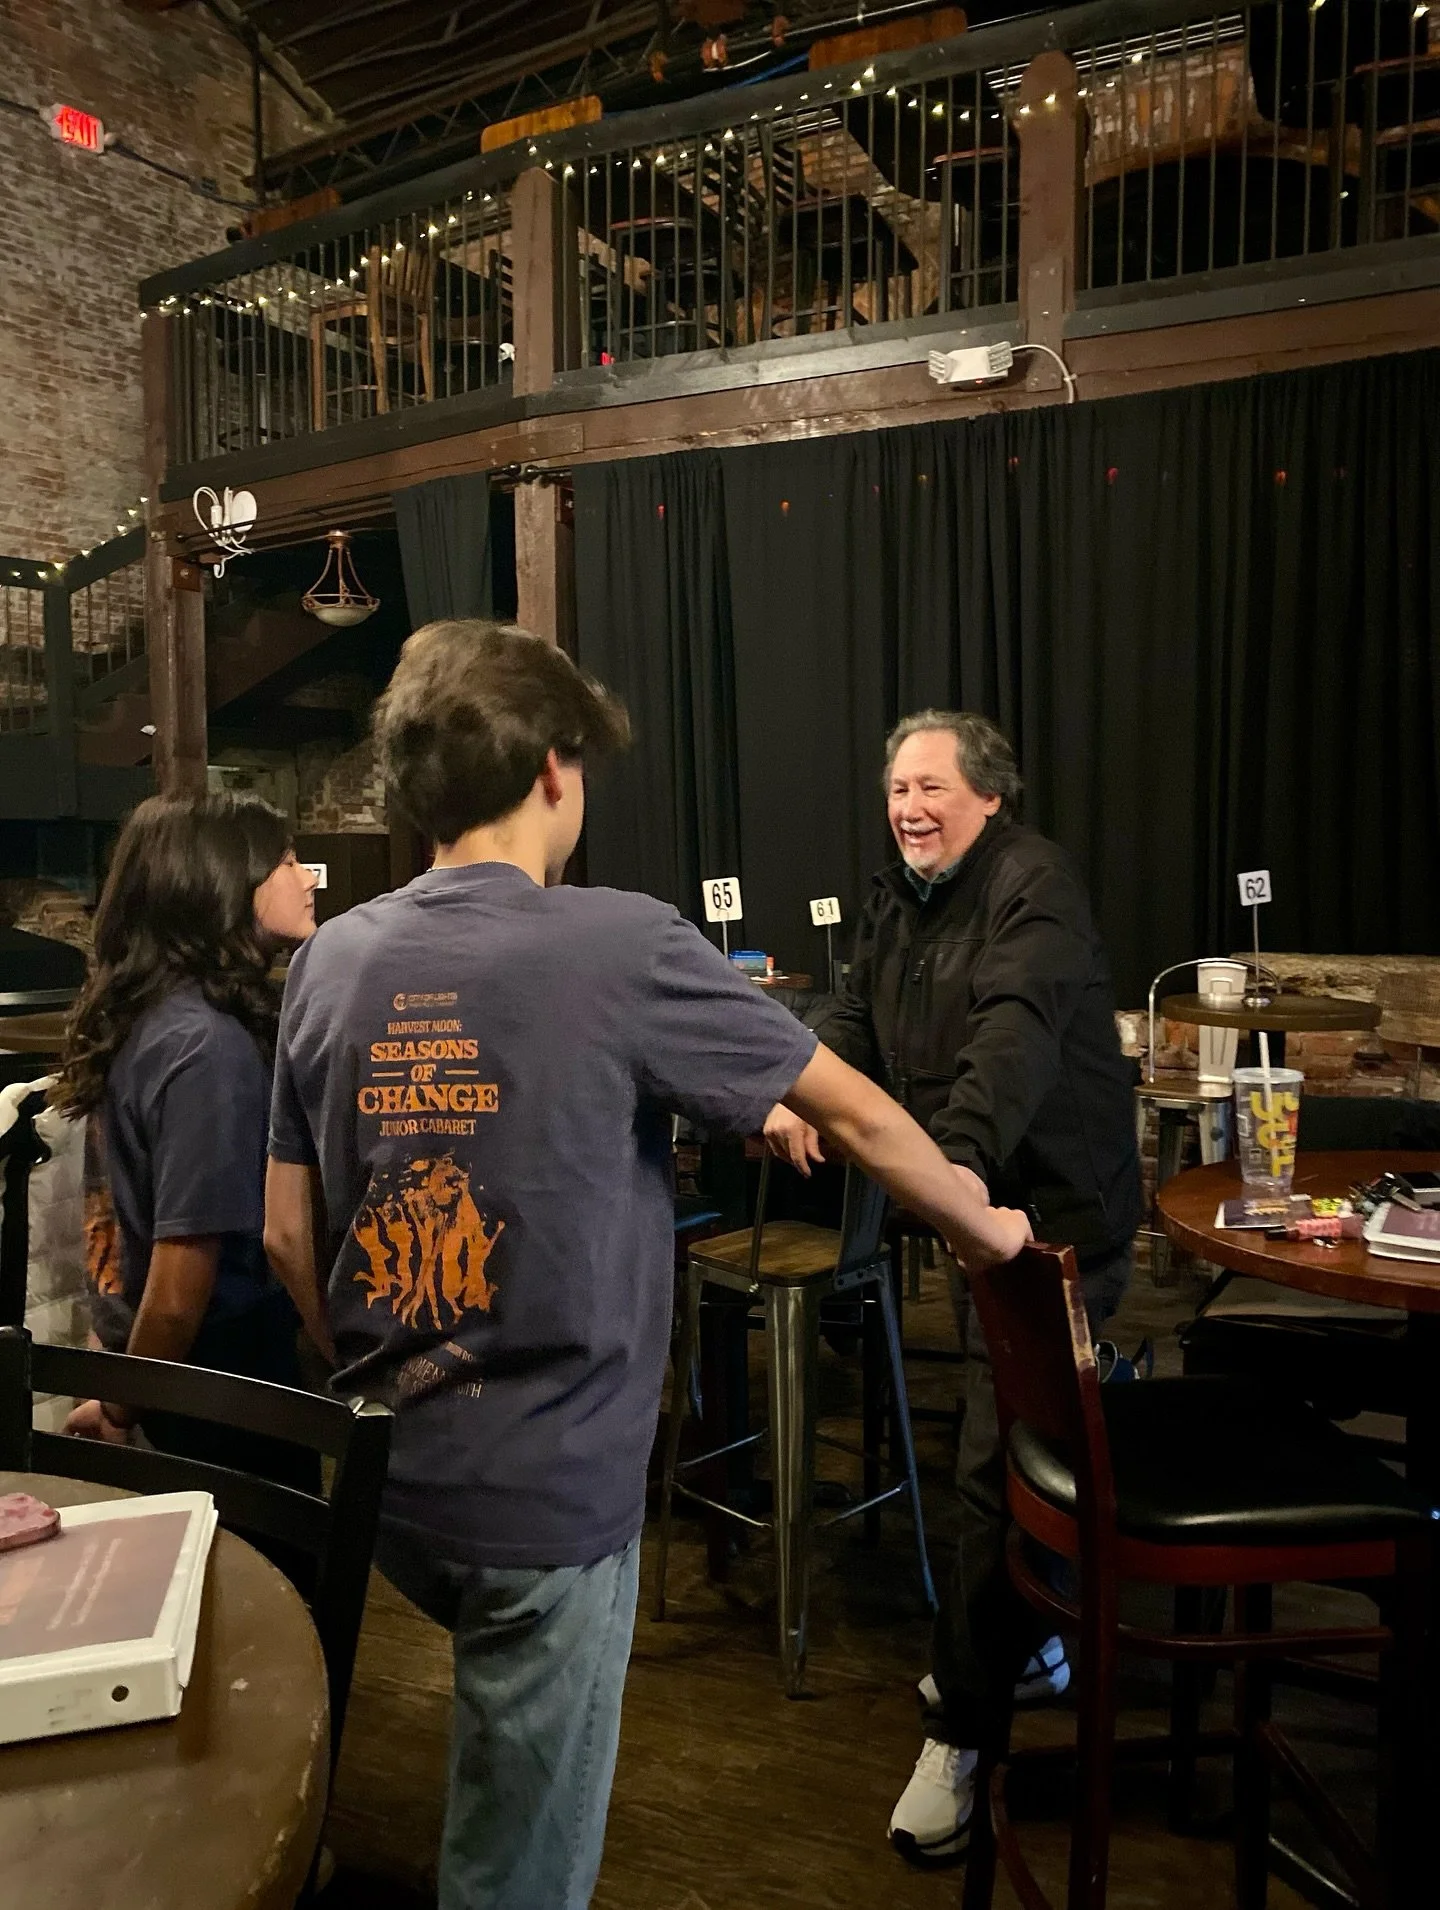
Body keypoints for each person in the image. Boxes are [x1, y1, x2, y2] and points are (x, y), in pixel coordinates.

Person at [262, 622, 1032, 1910]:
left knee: (481, 1763)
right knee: (518, 1866)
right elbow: (858, 1113)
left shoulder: (328, 959)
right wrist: (983, 1226)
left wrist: (376, 1363)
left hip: (388, 1475)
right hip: (547, 1501)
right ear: (556, 771)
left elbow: (291, 1233)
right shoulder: (621, 942)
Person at [764, 709, 1142, 1865]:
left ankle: (964, 1731)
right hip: (969, 1207)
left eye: (928, 785)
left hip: (1052, 1222)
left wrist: (959, 1175)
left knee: (996, 1463)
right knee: (1006, 1464)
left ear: (990, 795)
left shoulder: (1036, 886)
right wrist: (797, 1085)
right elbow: (856, 1014)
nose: (908, 806)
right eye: (895, 789)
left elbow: (1010, 1044)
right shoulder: (901, 896)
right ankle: (1025, 1640)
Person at [53, 791, 320, 1482]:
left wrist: (111, 1378)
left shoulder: (154, 1021)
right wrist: (121, 1409)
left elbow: (116, 1239)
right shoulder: (206, 1047)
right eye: (287, 860)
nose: (306, 877)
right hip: (220, 1395)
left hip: (165, 1384)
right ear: (224, 885)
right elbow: (178, 1286)